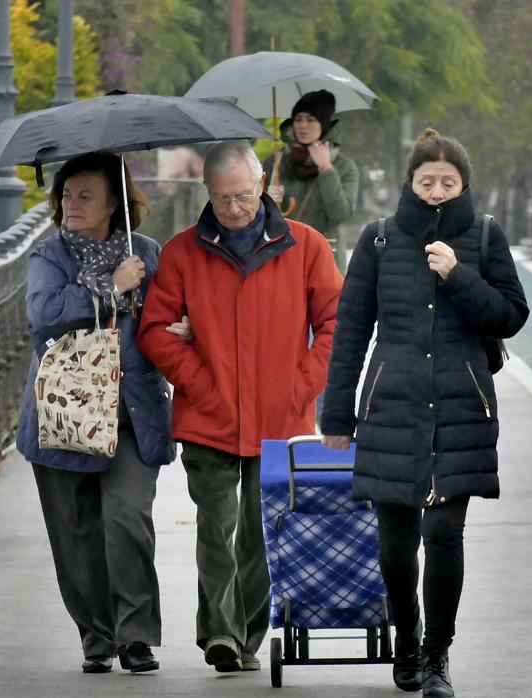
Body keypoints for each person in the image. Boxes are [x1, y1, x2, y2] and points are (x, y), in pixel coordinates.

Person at [320, 128, 529, 697]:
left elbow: (511, 315)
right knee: (393, 544)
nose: (437, 191)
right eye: (426, 181)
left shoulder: (485, 237)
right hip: (392, 406)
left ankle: (436, 656)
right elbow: (352, 330)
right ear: (411, 184)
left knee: (443, 535)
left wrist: (457, 273)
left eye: (448, 182)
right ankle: (406, 639)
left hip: (461, 407)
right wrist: (335, 415)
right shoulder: (379, 241)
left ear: (464, 185)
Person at [137, 139, 342, 673]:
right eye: (223, 198)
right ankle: (220, 635)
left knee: (260, 534)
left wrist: (304, 383)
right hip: (209, 417)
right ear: (208, 192)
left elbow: (336, 324)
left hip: (282, 416)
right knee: (216, 527)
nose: (233, 208)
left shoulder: (307, 245)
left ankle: (248, 636)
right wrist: (198, 381)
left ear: (263, 188)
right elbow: (155, 331)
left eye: (244, 196)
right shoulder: (183, 252)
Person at [16, 151, 175, 675]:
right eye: (66, 195)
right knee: (77, 534)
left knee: (128, 518)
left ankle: (136, 638)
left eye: (86, 195)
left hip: (131, 414)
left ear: (115, 204)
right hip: (64, 417)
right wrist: (110, 287)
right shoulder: (50, 256)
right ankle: (96, 637)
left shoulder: (146, 253)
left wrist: (182, 327)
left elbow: (171, 316)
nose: (72, 204)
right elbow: (42, 316)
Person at [265, 89, 359, 273]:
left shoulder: (344, 166)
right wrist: (268, 201)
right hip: (283, 257)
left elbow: (340, 213)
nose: (302, 125)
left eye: (310, 119)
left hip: (325, 259)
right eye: (298, 119)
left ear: (323, 124)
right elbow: (255, 217)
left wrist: (326, 169)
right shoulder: (276, 162)